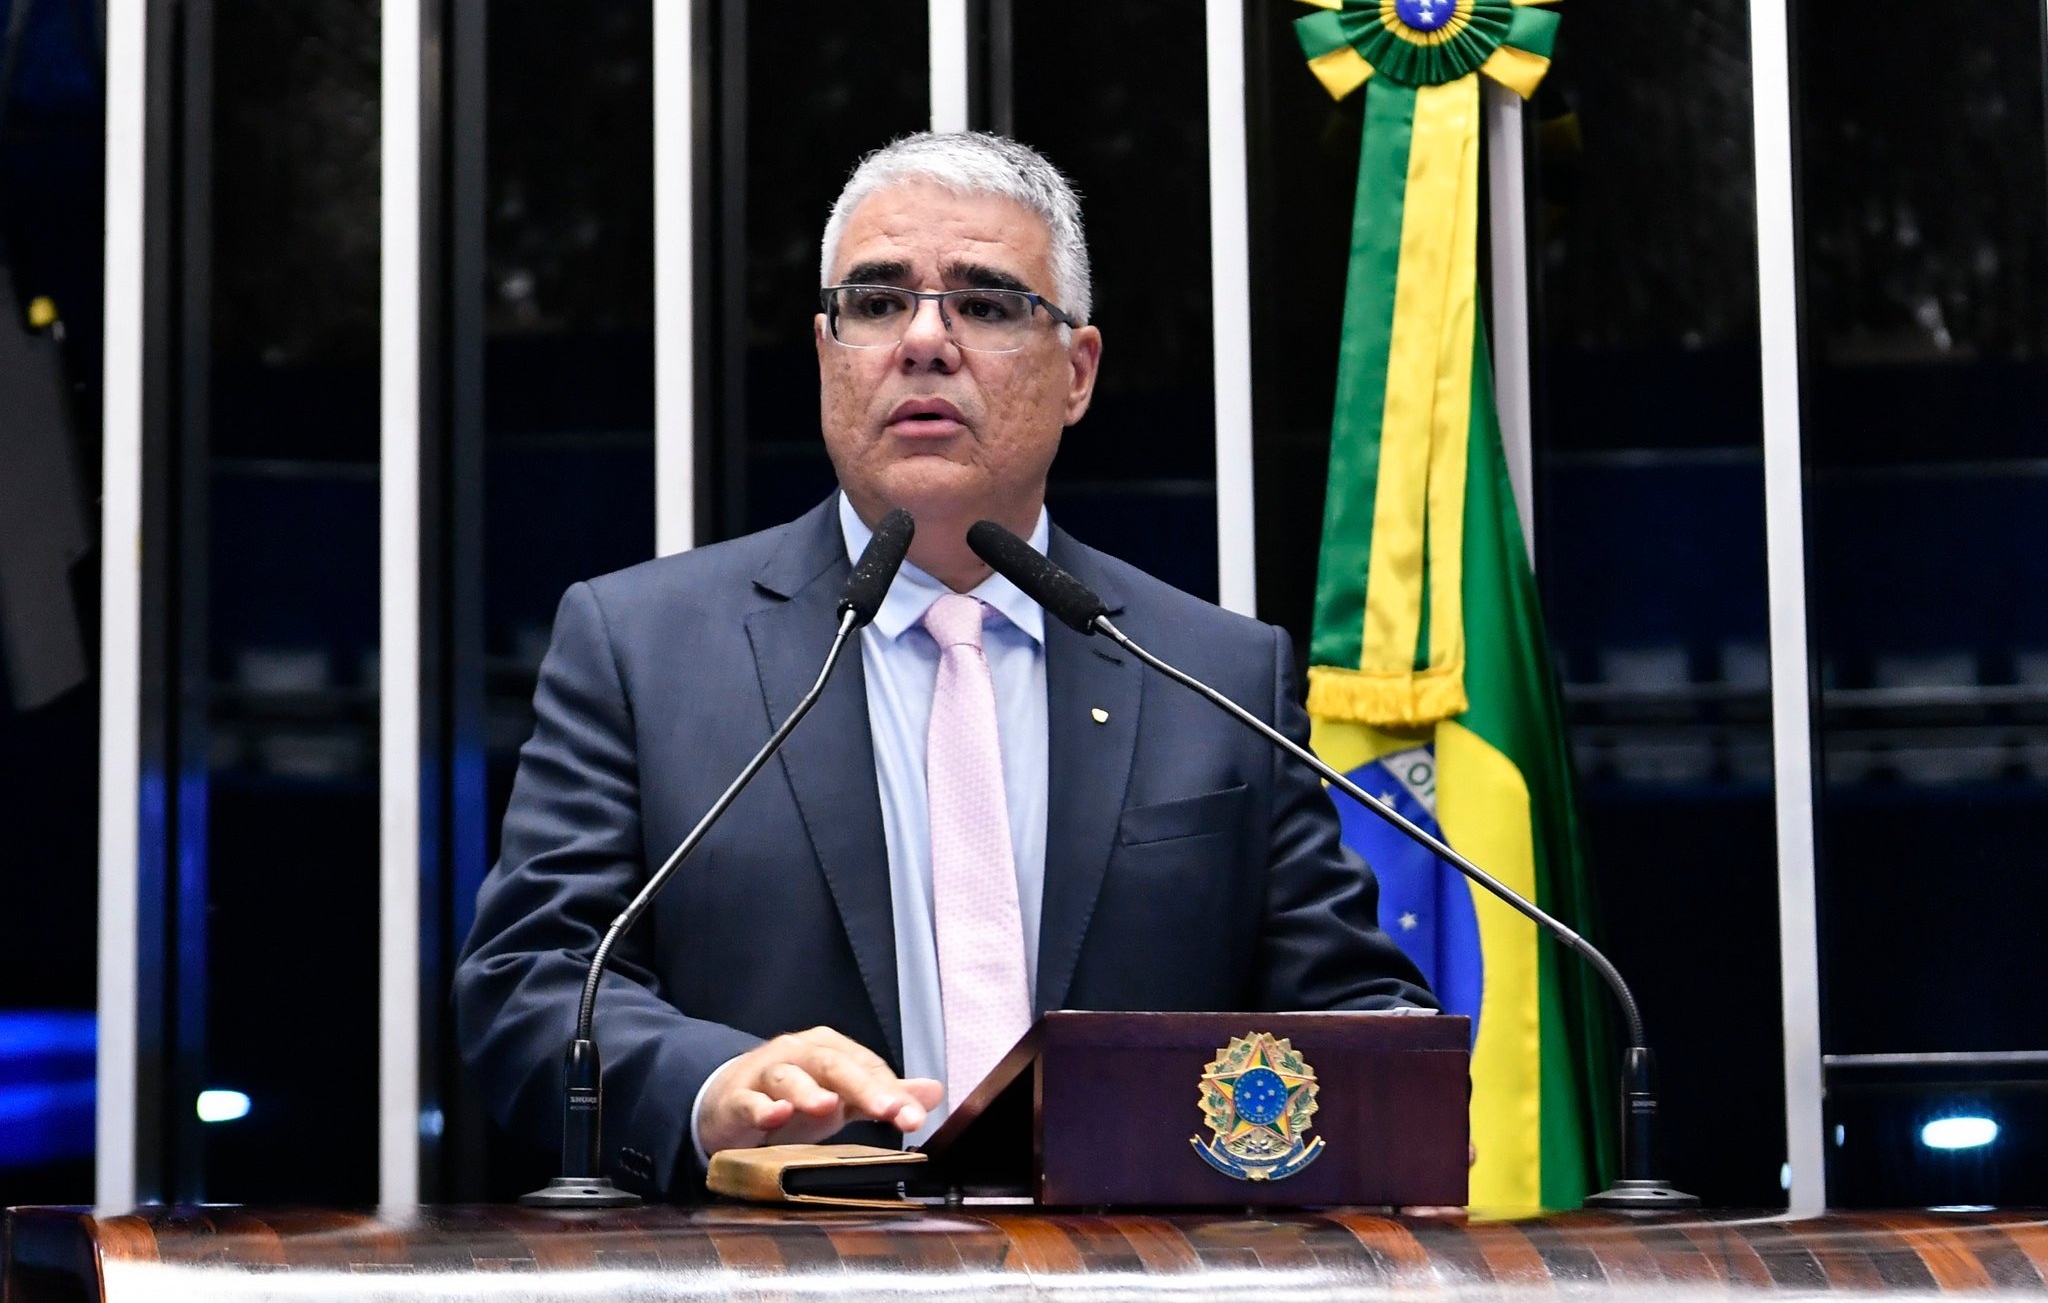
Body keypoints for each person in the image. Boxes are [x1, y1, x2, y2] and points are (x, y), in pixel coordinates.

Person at [454, 131, 1436, 1200]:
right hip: (776, 1274)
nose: (923, 340)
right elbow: (532, 985)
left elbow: (1347, 1019)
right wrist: (713, 1083)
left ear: (1076, 372)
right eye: (875, 304)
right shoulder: (640, 646)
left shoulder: (1212, 670)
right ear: (828, 354)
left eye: (986, 303)